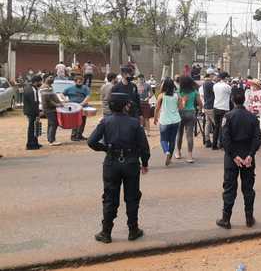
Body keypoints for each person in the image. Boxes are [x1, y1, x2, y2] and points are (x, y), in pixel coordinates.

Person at [88, 92, 150, 244]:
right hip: (131, 163)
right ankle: (133, 230)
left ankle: (106, 232)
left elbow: (91, 141)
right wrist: (145, 163)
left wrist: (105, 149)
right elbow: (144, 147)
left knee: (110, 198)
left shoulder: (105, 122)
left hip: (111, 163)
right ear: (125, 106)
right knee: (132, 197)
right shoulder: (135, 123)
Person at [216, 87, 261, 229]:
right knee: (248, 189)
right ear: (244, 99)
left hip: (232, 158)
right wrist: (250, 155)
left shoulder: (228, 117)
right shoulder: (252, 117)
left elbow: (225, 139)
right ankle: (249, 218)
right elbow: (257, 138)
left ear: (232, 100)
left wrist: (234, 156)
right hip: (248, 157)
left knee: (230, 188)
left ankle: (226, 218)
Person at [154, 78, 182, 166]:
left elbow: (157, 108)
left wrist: (155, 118)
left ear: (164, 86)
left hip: (164, 120)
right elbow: (180, 107)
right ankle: (169, 158)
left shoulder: (161, 95)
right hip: (176, 120)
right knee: (172, 140)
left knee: (163, 139)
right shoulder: (177, 95)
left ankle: (166, 152)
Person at [176, 76, 202, 163]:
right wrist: (199, 111)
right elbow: (200, 103)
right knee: (189, 135)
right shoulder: (194, 92)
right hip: (191, 113)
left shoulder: (178, 92)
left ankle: (178, 152)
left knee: (179, 133)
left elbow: (176, 104)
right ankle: (190, 156)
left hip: (180, 113)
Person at [63, 76, 90, 141]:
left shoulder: (85, 88)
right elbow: (62, 94)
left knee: (83, 121)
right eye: (78, 81)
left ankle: (80, 135)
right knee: (75, 121)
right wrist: (66, 100)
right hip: (74, 108)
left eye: (81, 81)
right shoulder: (70, 88)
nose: (80, 83)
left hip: (83, 107)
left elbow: (88, 96)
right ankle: (74, 136)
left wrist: (83, 103)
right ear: (75, 82)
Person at [41, 77, 63, 146]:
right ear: (45, 78)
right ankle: (52, 140)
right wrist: (57, 105)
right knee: (54, 123)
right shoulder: (45, 87)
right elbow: (48, 100)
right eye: (49, 77)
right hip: (49, 109)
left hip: (52, 108)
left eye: (52, 77)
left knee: (51, 123)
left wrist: (59, 103)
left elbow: (54, 96)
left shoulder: (49, 86)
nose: (51, 78)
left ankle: (50, 139)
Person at [213, 72, 232, 150]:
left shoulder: (215, 85)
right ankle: (221, 144)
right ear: (225, 78)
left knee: (216, 127)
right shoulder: (227, 86)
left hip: (216, 107)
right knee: (223, 127)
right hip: (224, 109)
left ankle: (214, 144)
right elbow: (230, 94)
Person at [23, 75, 43, 150]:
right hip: (32, 112)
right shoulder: (32, 90)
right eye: (40, 81)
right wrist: (38, 113)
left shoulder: (29, 88)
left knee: (34, 127)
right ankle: (30, 144)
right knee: (32, 128)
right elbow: (34, 103)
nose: (41, 83)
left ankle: (35, 142)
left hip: (29, 111)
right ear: (36, 82)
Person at [203, 69, 217, 148]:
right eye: (213, 75)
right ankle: (217, 141)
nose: (214, 76)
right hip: (211, 106)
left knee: (208, 124)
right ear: (210, 75)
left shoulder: (205, 83)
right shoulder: (211, 84)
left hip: (206, 106)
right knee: (217, 124)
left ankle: (207, 140)